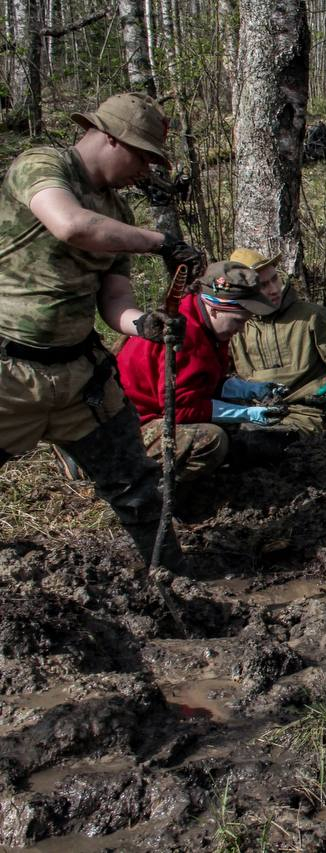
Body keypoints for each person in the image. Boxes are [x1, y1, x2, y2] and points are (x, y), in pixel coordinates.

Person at [0, 92, 203, 572]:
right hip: (9, 372)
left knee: (137, 485)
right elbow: (71, 226)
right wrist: (163, 243)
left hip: (78, 379)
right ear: (110, 139)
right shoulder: (42, 165)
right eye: (144, 157)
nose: (147, 172)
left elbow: (113, 301)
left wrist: (145, 325)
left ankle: (171, 581)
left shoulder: (120, 215)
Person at [118, 261, 280, 480]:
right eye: (238, 321)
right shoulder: (186, 337)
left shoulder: (207, 323)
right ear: (215, 307)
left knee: (234, 418)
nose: (241, 329)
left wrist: (249, 390)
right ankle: (153, 492)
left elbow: (202, 384)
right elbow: (179, 410)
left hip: (149, 410)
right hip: (130, 426)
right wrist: (246, 413)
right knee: (212, 440)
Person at [226, 247, 326, 434]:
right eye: (263, 285)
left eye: (275, 279)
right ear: (244, 291)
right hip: (252, 413)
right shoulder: (235, 326)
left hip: (305, 414)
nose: (274, 289)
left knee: (260, 445)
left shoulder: (312, 316)